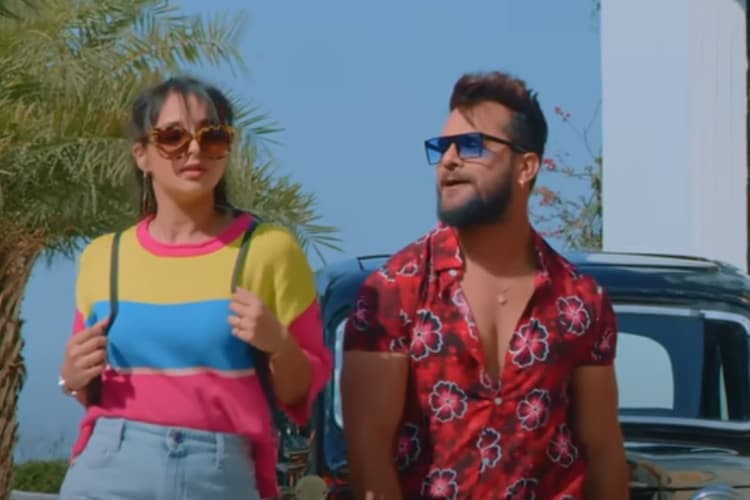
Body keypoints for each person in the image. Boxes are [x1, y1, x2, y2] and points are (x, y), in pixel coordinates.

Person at [341, 71, 628, 499]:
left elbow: (602, 448)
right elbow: (369, 456)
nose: (449, 160)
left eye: (470, 145)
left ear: (525, 167)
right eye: (441, 147)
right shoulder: (392, 293)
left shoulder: (580, 301)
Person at [57, 76, 332, 500]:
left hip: (219, 472)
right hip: (111, 462)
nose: (194, 150)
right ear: (142, 155)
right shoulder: (103, 257)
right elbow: (87, 384)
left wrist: (279, 343)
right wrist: (71, 377)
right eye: (173, 136)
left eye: (212, 136)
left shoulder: (268, 250)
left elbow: (301, 390)